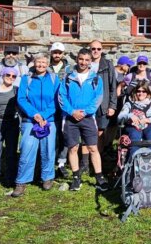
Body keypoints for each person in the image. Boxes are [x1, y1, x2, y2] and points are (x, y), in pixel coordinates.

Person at [58, 48, 108, 192]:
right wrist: (71, 111)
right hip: (70, 118)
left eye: (87, 60)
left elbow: (98, 98)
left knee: (92, 147)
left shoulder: (96, 78)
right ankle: (76, 178)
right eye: (81, 59)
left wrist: (85, 112)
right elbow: (62, 96)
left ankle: (99, 177)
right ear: (77, 59)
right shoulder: (68, 78)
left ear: (90, 61)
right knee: (73, 148)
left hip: (87, 117)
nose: (83, 62)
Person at [12, 54, 60, 197]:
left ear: (48, 64)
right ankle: (21, 181)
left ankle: (47, 178)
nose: (41, 65)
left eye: (44, 62)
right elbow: (21, 98)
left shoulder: (53, 79)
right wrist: (34, 114)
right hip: (30, 120)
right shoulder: (26, 79)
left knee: (48, 149)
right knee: (26, 149)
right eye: (38, 62)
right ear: (34, 63)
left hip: (48, 120)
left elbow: (57, 100)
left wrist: (44, 115)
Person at [80, 41, 118, 174]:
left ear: (102, 50)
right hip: (86, 104)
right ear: (89, 50)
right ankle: (84, 163)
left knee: (100, 133)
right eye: (93, 49)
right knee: (85, 132)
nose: (96, 51)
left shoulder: (107, 65)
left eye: (98, 49)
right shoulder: (83, 64)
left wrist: (112, 105)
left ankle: (96, 160)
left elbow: (113, 85)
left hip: (103, 104)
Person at [118, 80, 151, 157]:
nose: (141, 93)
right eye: (138, 91)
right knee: (135, 135)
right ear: (135, 92)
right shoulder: (129, 103)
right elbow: (120, 116)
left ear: (148, 93)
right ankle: (134, 160)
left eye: (144, 91)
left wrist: (148, 120)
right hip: (134, 126)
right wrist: (130, 116)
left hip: (150, 124)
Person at [48, 42, 73, 178]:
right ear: (51, 53)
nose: (57, 54)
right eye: (55, 52)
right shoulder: (45, 67)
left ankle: (61, 163)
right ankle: (48, 161)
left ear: (63, 54)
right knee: (50, 135)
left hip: (64, 106)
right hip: (48, 106)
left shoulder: (70, 69)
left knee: (64, 135)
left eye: (59, 52)